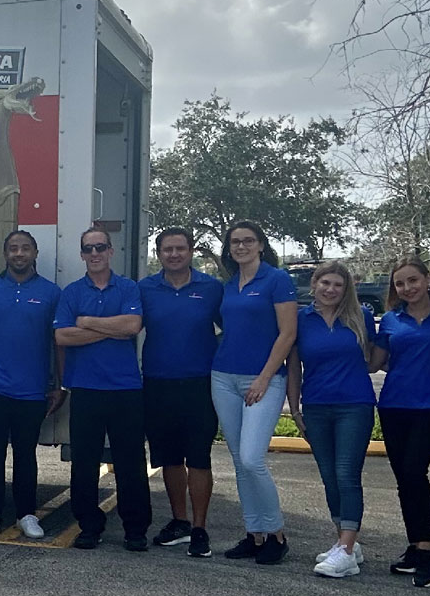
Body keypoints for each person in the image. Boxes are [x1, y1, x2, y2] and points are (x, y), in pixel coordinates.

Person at [0, 230, 64, 541]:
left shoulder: (51, 293)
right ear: (5, 254)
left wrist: (60, 385)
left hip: (32, 391)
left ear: (34, 253)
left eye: (24, 248)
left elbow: (58, 342)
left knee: (26, 456)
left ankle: (27, 515)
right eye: (12, 249)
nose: (19, 254)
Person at [54, 227, 149, 551]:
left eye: (100, 248)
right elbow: (62, 337)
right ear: (82, 255)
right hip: (85, 388)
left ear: (111, 251)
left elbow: (133, 326)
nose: (94, 254)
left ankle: (135, 529)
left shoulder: (127, 287)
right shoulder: (72, 292)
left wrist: (86, 322)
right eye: (88, 249)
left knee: (131, 461)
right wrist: (111, 329)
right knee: (84, 461)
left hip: (125, 388)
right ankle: (88, 526)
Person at [209, 220, 298, 565]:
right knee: (239, 460)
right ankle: (254, 534)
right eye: (235, 242)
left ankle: (276, 533)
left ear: (261, 245)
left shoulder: (277, 280)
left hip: (264, 379)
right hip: (223, 377)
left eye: (248, 241)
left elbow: (287, 334)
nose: (241, 246)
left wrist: (263, 378)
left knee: (251, 457)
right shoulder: (229, 286)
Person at [286, 261, 380, 580]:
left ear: (346, 289)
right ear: (314, 284)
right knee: (329, 476)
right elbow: (295, 367)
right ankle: (345, 542)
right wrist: (295, 410)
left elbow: (373, 358)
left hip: (354, 405)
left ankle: (347, 551)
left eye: (338, 285)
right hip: (315, 407)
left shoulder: (361, 317)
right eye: (325, 283)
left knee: (346, 475)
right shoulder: (301, 319)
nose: (330, 289)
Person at [137, 227, 224, 557]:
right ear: (158, 254)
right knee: (170, 459)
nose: (174, 254)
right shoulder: (145, 289)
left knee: (199, 458)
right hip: (157, 384)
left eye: (180, 248)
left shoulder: (211, 288)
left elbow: (232, 328)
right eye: (167, 249)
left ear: (191, 251)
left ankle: (200, 529)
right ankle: (180, 522)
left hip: (200, 384)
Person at [375, 257, 430, 588]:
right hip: (394, 405)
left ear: (427, 280)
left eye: (413, 280)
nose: (407, 288)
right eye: (400, 284)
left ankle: (426, 551)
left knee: (414, 472)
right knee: (404, 478)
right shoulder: (392, 321)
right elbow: (376, 362)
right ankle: (414, 547)